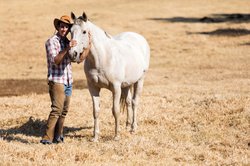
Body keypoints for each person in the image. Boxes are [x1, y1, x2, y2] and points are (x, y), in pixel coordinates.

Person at [40, 15, 90, 144]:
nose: (63, 29)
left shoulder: (66, 41)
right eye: (62, 26)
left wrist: (88, 46)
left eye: (66, 27)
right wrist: (68, 48)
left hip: (68, 81)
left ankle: (58, 136)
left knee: (64, 111)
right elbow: (55, 61)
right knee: (57, 109)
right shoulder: (52, 41)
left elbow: (78, 60)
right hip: (57, 80)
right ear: (58, 27)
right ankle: (47, 138)